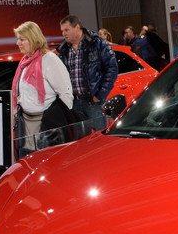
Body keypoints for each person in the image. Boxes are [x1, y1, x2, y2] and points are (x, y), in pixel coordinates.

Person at [11, 21, 75, 157]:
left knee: (46, 163)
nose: (18, 43)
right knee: (27, 162)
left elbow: (66, 94)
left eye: (22, 39)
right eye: (18, 39)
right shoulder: (25, 62)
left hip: (47, 126)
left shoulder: (50, 59)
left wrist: (58, 122)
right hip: (26, 124)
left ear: (33, 38)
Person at [56, 14, 119, 133]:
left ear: (77, 27)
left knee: (100, 137)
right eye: (62, 31)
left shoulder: (97, 44)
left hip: (93, 102)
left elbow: (112, 69)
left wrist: (100, 95)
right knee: (80, 139)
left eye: (66, 30)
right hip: (73, 103)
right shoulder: (63, 50)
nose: (63, 33)